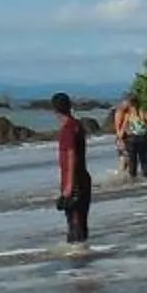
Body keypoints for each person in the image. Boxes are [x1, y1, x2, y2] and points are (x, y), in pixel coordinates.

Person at [52, 91, 92, 246]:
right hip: (82, 177)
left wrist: (68, 186)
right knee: (81, 221)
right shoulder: (77, 125)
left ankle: (78, 263)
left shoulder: (68, 129)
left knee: (74, 222)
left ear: (55, 110)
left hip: (74, 180)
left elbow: (71, 155)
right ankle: (83, 257)